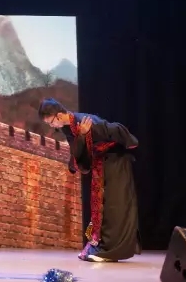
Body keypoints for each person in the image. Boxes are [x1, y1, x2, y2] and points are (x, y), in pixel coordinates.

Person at [38, 98, 141, 263]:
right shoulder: (68, 128)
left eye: (51, 122)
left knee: (114, 206)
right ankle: (101, 245)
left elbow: (114, 129)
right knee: (101, 206)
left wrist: (127, 142)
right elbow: (78, 151)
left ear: (58, 116)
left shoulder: (84, 121)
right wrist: (81, 137)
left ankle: (110, 250)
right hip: (102, 165)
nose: (52, 126)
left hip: (116, 163)